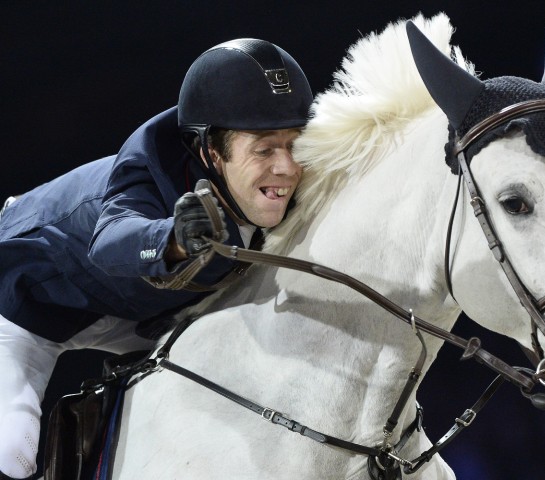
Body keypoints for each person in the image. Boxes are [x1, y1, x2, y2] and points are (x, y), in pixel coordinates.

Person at [0, 38, 313, 479]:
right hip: (25, 303)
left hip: (142, 311)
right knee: (11, 456)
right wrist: (175, 240)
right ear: (209, 151)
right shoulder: (148, 167)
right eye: (263, 150)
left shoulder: (289, 169)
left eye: (294, 144)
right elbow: (110, 242)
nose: (286, 168)